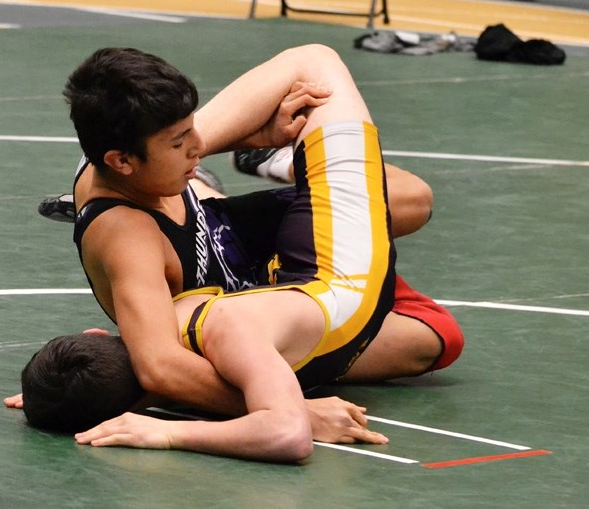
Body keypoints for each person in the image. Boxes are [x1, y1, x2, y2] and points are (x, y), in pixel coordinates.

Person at [22, 43, 437, 461]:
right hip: (238, 297)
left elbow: (155, 368)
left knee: (408, 198)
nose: (197, 143)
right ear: (123, 162)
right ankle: (238, 170)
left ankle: (253, 159)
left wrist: (241, 134)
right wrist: (294, 411)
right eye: (180, 142)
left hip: (221, 240)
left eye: (191, 132)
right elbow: (160, 366)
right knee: (433, 341)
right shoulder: (125, 234)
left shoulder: (125, 153)